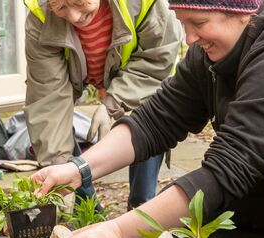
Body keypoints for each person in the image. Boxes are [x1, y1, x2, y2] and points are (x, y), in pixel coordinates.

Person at [32, 0, 264, 238]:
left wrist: (117, 232)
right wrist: (77, 170)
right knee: (184, 217)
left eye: (199, 23)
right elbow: (155, 121)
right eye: (182, 22)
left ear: (242, 13)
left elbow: (230, 166)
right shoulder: (210, 55)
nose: (189, 38)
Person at [23, 0, 183, 209]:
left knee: (148, 119)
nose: (73, 17)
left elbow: (156, 62)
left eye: (78, 2)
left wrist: (112, 103)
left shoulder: (144, 3)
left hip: (145, 80)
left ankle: (141, 209)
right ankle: (87, 210)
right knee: (56, 136)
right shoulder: (41, 17)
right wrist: (58, 171)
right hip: (93, 73)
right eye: (61, 8)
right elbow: (48, 99)